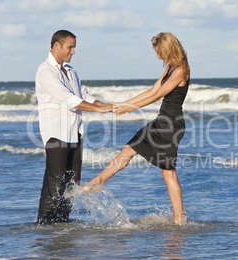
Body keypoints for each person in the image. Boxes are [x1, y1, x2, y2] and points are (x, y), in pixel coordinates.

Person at [81, 32, 190, 225]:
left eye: (160, 52)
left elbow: (157, 96)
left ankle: (179, 218)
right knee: (129, 149)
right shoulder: (170, 68)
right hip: (163, 121)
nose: (158, 56)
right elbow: (152, 90)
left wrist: (128, 108)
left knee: (168, 171)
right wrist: (123, 104)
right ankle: (98, 182)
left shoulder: (180, 70)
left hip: (169, 125)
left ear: (168, 48)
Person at [35, 30, 112, 225]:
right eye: (70, 47)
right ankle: (45, 226)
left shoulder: (70, 71)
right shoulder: (45, 71)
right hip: (56, 134)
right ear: (56, 46)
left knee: (72, 184)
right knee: (55, 184)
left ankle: (62, 224)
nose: (73, 52)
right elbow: (69, 100)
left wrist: (106, 106)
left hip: (75, 134)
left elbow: (83, 94)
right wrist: (98, 110)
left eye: (74, 47)